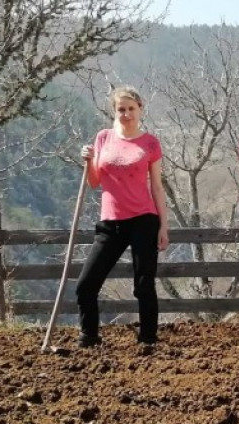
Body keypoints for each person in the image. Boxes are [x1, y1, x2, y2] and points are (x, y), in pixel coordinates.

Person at [76, 86, 169, 348]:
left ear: (140, 109)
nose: (126, 114)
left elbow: (157, 188)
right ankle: (89, 337)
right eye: (121, 109)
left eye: (131, 108)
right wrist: (89, 160)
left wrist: (164, 226)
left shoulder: (150, 143)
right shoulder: (103, 138)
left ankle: (148, 339)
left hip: (143, 219)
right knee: (86, 284)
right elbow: (95, 181)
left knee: (143, 284)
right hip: (110, 222)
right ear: (114, 112)